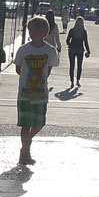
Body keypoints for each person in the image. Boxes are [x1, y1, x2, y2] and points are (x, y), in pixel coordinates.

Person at [14, 15, 60, 166]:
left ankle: (25, 146)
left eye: (39, 31)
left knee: (39, 123)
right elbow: (18, 68)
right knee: (25, 124)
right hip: (25, 93)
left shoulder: (50, 51)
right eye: (33, 31)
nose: (35, 34)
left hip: (41, 93)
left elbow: (49, 70)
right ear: (30, 32)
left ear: (45, 32)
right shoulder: (23, 50)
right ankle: (25, 152)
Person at [66, 16, 91, 86]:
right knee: (79, 66)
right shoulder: (84, 32)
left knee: (72, 66)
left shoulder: (72, 30)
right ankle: (77, 81)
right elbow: (86, 42)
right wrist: (88, 51)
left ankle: (72, 82)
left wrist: (70, 45)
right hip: (80, 50)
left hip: (72, 50)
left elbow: (67, 40)